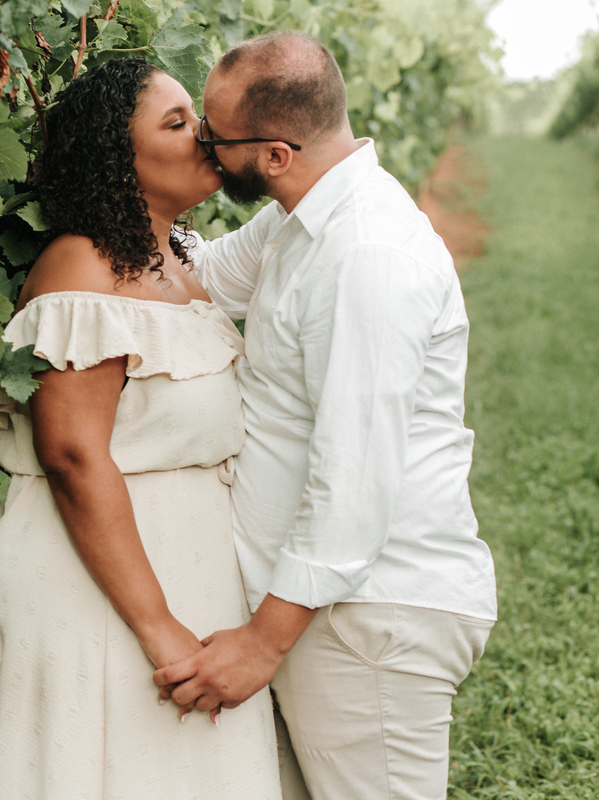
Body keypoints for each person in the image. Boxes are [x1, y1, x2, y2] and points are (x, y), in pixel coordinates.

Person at [153, 31, 498, 800]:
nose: (203, 145)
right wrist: (131, 201)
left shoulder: (367, 257)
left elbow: (355, 480)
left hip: (366, 614)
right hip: (326, 606)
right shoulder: (300, 215)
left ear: (276, 154)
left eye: (213, 137)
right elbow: (202, 278)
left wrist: (262, 644)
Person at [0, 58, 282, 800]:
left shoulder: (179, 264)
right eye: (176, 123)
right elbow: (72, 455)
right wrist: (157, 623)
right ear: (118, 159)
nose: (203, 134)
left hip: (189, 574)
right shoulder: (83, 269)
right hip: (106, 596)